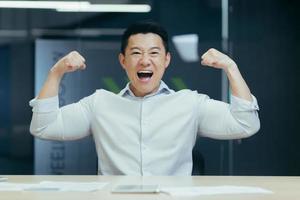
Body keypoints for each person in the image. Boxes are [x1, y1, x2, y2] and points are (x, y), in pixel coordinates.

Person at [29, 21, 260, 176]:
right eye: (136, 53)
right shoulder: (100, 103)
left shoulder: (190, 103)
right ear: (123, 60)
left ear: (167, 60)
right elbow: (44, 127)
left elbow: (245, 123)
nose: (145, 61)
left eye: (154, 53)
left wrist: (231, 67)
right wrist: (56, 72)